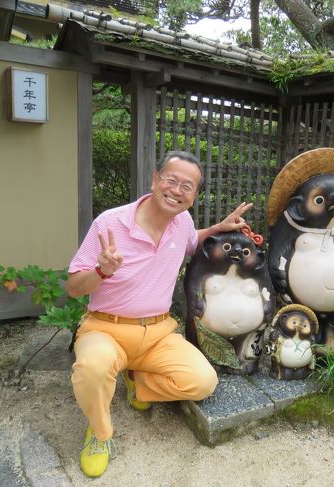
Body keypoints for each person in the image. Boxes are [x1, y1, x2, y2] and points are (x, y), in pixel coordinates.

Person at [66, 150, 252, 478]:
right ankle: (98, 431)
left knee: (203, 381)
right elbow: (74, 287)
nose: (177, 190)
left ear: (194, 196)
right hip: (105, 329)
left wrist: (220, 227)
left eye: (188, 186)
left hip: (157, 334)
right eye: (172, 180)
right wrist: (101, 270)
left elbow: (191, 242)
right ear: (155, 180)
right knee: (92, 369)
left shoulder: (182, 223)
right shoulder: (110, 223)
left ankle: (137, 382)